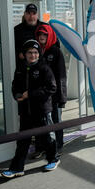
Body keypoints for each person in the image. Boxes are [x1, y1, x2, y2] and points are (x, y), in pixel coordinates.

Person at [2, 40, 59, 178]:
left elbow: (52, 88)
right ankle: (17, 168)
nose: (32, 55)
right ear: (25, 54)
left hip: (42, 110)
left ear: (39, 54)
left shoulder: (44, 68)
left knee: (47, 138)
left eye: (35, 52)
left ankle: (53, 159)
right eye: (29, 52)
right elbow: (15, 86)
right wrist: (17, 95)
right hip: (25, 111)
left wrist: (31, 94)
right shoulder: (20, 68)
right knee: (23, 141)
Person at [35, 23, 67, 155]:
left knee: (55, 121)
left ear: (50, 35)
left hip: (54, 95)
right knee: (41, 122)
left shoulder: (56, 52)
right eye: (40, 34)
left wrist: (62, 97)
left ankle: (58, 145)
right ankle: (42, 147)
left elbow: (61, 76)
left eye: (45, 34)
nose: (42, 36)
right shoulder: (36, 51)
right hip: (41, 95)